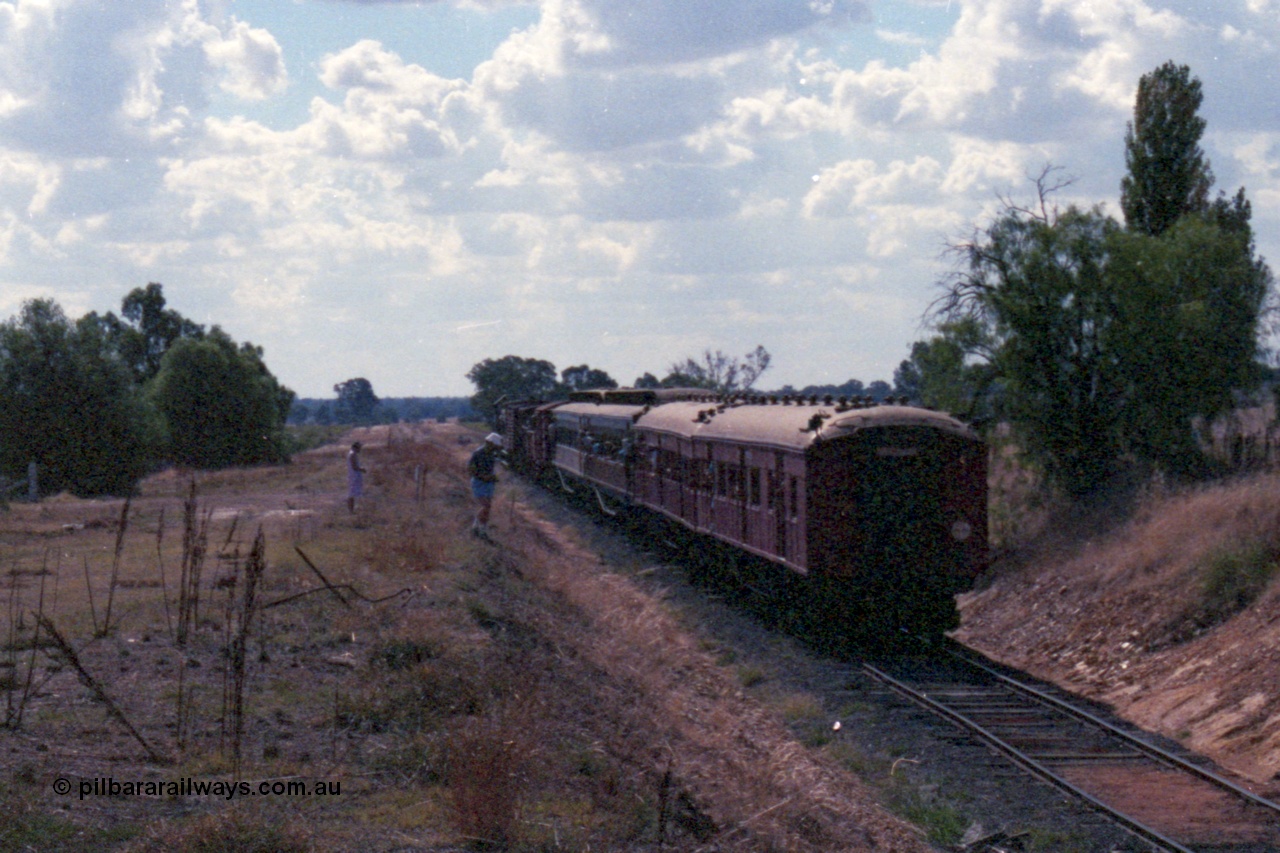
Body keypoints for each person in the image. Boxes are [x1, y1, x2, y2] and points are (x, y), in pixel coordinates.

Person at [469, 432, 504, 538]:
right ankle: (475, 526)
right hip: (479, 482)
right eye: (494, 445)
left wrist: (492, 477)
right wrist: (483, 477)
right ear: (489, 443)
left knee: (487, 508)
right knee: (486, 506)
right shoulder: (478, 453)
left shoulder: (491, 454)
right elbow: (471, 470)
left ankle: (481, 530)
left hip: (489, 483)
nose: (495, 448)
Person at [346, 441, 366, 514]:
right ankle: (351, 510)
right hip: (354, 476)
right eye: (359, 448)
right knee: (351, 493)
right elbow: (354, 467)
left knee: (354, 493)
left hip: (354, 475)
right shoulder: (352, 454)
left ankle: (352, 509)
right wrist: (362, 469)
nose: (360, 449)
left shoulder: (352, 454)